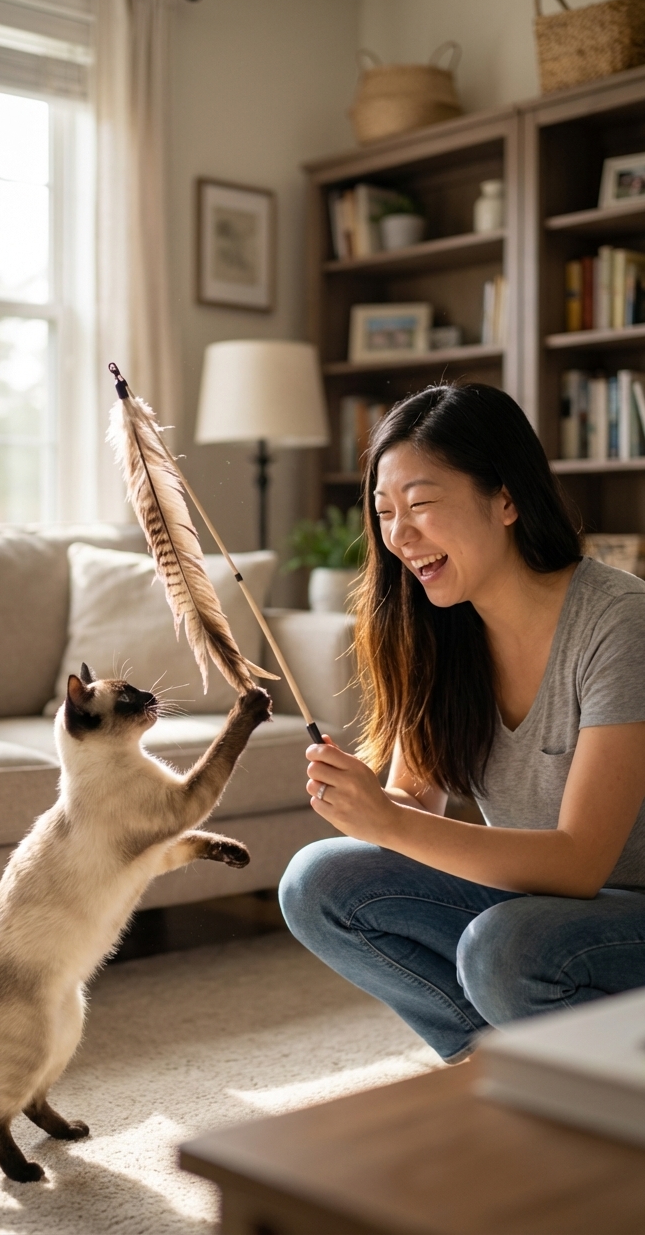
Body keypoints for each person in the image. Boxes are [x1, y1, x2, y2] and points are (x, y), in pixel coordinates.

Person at [279, 382, 645, 1064]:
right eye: (384, 512)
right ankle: (490, 1067)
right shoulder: (438, 632)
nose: (398, 535)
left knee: (506, 946)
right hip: (541, 906)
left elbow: (578, 866)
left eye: (420, 504)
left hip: (622, 908)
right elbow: (412, 806)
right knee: (317, 882)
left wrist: (389, 823)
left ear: (504, 498)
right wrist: (366, 802)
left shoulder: (618, 620)